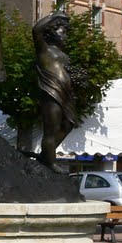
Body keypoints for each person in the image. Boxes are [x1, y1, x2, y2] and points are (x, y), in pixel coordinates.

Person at [32, 12, 78, 171]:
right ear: (52, 33)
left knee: (68, 125)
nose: (65, 36)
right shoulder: (44, 50)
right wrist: (54, 16)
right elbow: (36, 30)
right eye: (62, 32)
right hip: (51, 91)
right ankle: (50, 162)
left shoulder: (64, 56)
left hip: (66, 94)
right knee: (50, 129)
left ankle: (46, 154)